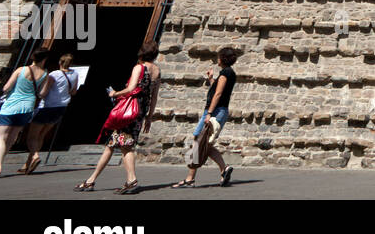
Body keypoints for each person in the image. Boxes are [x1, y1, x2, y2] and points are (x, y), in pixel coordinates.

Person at [74, 40, 160, 194]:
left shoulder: (139, 68)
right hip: (140, 111)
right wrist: (149, 117)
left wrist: (115, 94)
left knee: (126, 145)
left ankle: (131, 180)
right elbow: (154, 97)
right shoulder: (157, 71)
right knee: (111, 145)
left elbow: (131, 88)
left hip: (129, 111)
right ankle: (90, 180)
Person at [172, 47, 237, 188]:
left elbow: (218, 95)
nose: (217, 59)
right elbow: (218, 90)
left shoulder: (226, 73)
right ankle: (223, 170)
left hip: (215, 111)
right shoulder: (229, 73)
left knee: (198, 140)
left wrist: (209, 113)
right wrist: (211, 79)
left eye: (219, 57)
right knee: (204, 143)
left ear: (223, 59)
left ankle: (190, 179)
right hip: (220, 110)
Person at [0, 49, 51, 177]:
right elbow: (42, 94)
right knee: (12, 137)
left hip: (12, 105)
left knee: (0, 137)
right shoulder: (45, 74)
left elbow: (6, 87)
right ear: (44, 59)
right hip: (27, 107)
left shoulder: (21, 70)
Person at [21, 52, 79, 174]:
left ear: (60, 62)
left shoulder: (54, 74)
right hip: (61, 107)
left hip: (47, 107)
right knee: (42, 135)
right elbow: (73, 92)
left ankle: (35, 156)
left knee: (32, 136)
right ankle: (27, 163)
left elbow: (44, 92)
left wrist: (36, 93)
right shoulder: (75, 74)